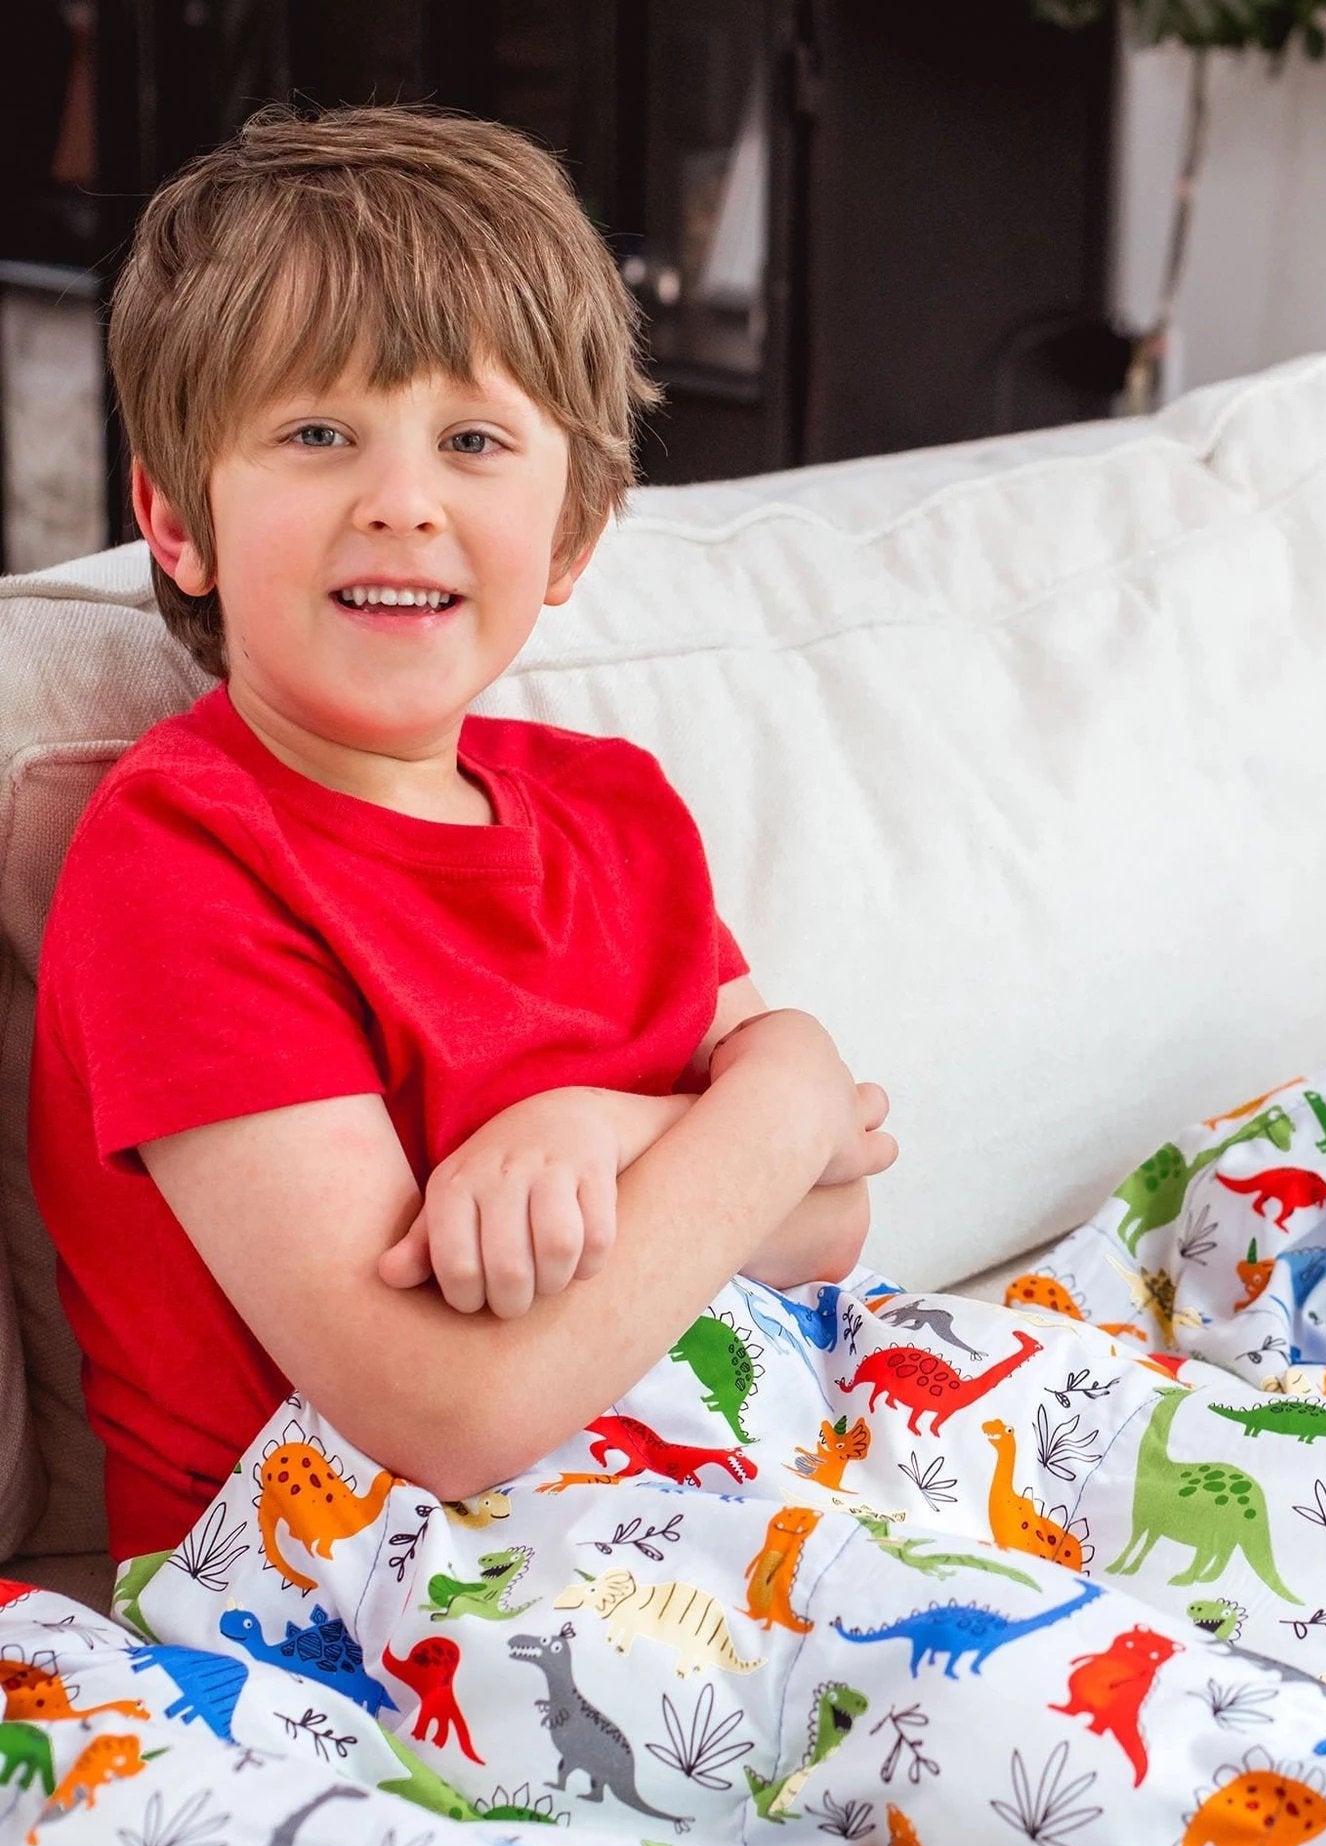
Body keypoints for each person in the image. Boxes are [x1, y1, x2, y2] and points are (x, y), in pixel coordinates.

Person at [26, 103, 896, 1565]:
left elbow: (826, 1223)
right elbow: (445, 1409)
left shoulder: (616, 809)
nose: (403, 504)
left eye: (474, 439)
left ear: (569, 536)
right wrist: (782, 1083)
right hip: (358, 1600)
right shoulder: (178, 861)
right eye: (318, 433)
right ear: (177, 523)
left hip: (717, 1494)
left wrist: (600, 1124)